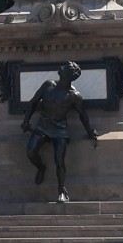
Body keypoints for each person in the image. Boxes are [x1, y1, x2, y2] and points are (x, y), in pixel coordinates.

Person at [21, 61, 98, 202]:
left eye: (65, 67)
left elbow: (83, 115)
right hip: (42, 125)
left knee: (59, 160)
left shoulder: (74, 95)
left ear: (69, 75)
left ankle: (62, 190)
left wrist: (89, 131)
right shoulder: (48, 85)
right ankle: (41, 167)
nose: (60, 67)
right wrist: (26, 120)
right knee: (30, 152)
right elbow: (33, 102)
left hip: (60, 129)